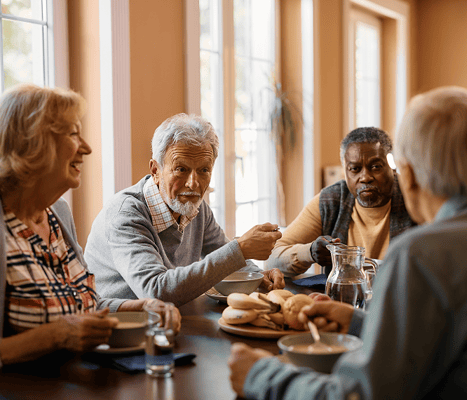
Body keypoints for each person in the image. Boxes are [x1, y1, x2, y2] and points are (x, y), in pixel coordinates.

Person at [228, 86, 467, 399]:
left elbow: (360, 395)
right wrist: (360, 322)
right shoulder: (335, 202)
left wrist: (262, 377)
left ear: (407, 175)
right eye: (355, 169)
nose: (365, 177)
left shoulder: (420, 256)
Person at [0, 84, 181, 366]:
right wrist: (57, 336)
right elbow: (65, 327)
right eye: (73, 134)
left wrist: (141, 306)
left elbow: (81, 306)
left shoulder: (57, 213)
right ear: (33, 143)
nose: (87, 148)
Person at [85, 113, 284, 307]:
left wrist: (257, 275)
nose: (193, 183)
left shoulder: (196, 208)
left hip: (172, 321)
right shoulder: (125, 214)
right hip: (120, 330)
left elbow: (223, 256)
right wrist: (240, 249)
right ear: (155, 171)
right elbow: (156, 291)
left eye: (203, 170)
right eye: (181, 169)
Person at [265, 127, 414, 276]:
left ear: (392, 167)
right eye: (355, 169)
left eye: (375, 167)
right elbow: (271, 259)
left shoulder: (415, 197)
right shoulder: (331, 201)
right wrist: (309, 252)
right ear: (345, 172)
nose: (365, 177)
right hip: (341, 298)